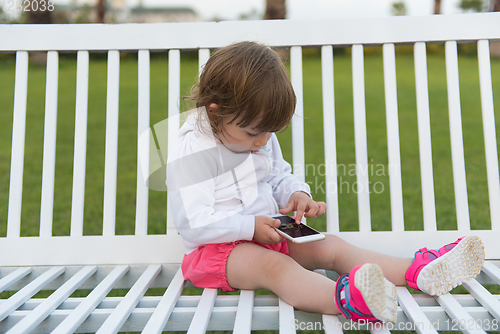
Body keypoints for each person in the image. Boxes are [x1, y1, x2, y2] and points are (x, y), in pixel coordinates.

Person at [166, 41, 485, 323]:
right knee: (275, 267)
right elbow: (194, 223)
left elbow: (277, 174)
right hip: (214, 253)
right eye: (255, 132)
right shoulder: (193, 149)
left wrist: (296, 192)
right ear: (216, 112)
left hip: (265, 232)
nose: (263, 142)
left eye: (270, 132)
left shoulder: (255, 132)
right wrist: (249, 227)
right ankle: (348, 300)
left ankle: (418, 272)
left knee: (330, 246)